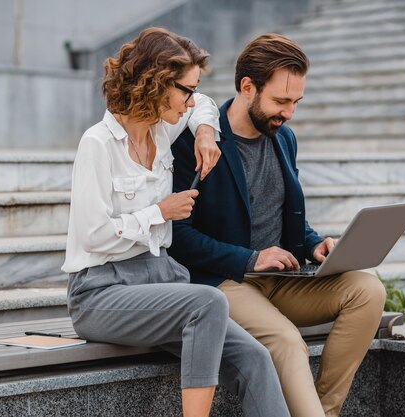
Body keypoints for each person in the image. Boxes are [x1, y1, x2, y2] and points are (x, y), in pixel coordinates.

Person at [61, 27, 290, 417]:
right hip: (100, 294)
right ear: (155, 83)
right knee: (208, 300)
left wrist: (204, 131)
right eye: (183, 89)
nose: (188, 101)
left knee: (255, 356)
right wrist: (159, 213)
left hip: (159, 282)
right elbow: (93, 235)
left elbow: (202, 102)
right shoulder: (97, 143)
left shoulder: (163, 129)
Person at [169, 33, 386, 417]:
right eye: (281, 101)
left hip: (282, 279)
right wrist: (251, 258)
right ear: (247, 87)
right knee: (286, 341)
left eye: (296, 102)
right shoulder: (194, 140)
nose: (289, 112)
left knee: (367, 290)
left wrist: (315, 245)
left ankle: (323, 410)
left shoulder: (283, 138)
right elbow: (178, 238)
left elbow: (284, 215)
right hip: (223, 281)